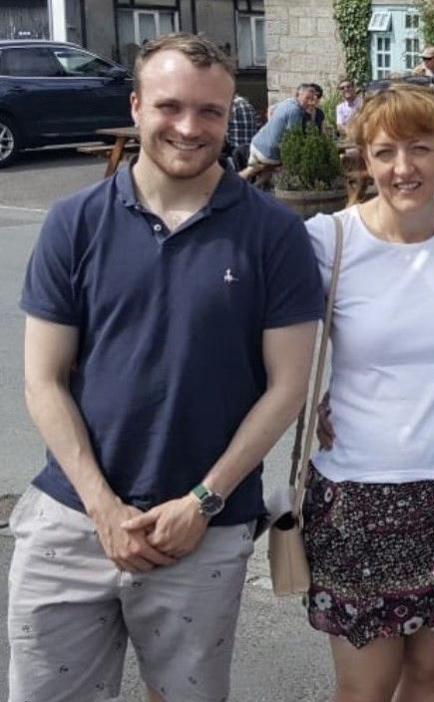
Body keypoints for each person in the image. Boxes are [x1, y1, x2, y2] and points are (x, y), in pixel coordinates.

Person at [9, 33, 323, 702]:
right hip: (72, 520)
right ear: (137, 106)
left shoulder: (273, 233)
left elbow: (287, 386)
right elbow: (43, 379)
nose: (189, 127)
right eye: (169, 106)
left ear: (231, 113)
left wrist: (202, 502)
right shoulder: (74, 223)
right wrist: (102, 508)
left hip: (203, 529)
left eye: (210, 111)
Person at [305, 84, 434, 702]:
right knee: (366, 687)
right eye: (385, 152)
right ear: (363, 159)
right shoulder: (329, 241)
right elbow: (264, 340)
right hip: (356, 496)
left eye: (419, 149)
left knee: (433, 677)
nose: (403, 168)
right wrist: (306, 407)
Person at [248, 82, 324, 167]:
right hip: (268, 153)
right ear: (298, 94)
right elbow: (293, 139)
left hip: (255, 144)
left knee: (257, 172)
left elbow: (271, 109)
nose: (309, 102)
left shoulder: (288, 102)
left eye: (311, 99)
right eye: (307, 98)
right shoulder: (296, 111)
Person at [226, 92, 260, 171]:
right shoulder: (250, 106)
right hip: (251, 151)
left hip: (235, 152)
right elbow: (258, 126)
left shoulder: (232, 107)